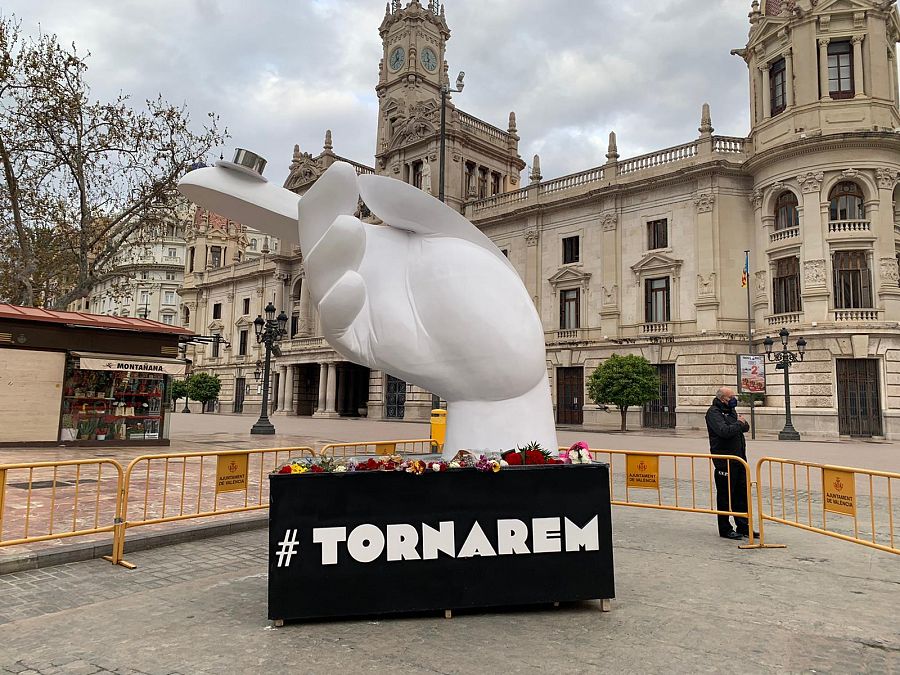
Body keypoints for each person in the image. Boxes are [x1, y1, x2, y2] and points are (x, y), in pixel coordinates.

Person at [705, 386, 755, 540]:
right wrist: (739, 423)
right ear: (722, 399)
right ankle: (725, 529)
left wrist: (740, 423)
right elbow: (724, 431)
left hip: (739, 459)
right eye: (730, 397)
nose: (734, 399)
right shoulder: (713, 413)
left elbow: (745, 427)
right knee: (725, 496)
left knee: (741, 494)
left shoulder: (731, 411)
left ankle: (744, 527)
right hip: (724, 461)